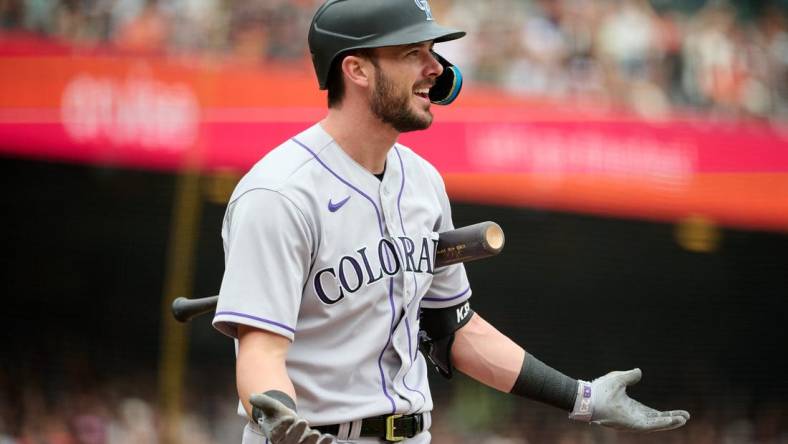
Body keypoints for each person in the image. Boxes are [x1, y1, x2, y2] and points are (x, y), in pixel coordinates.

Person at [212, 1, 691, 443]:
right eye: (412, 52)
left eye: (434, 52)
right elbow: (261, 353)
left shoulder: (422, 182)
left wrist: (583, 398)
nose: (436, 69)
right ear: (356, 69)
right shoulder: (279, 194)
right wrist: (280, 422)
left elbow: (454, 330)